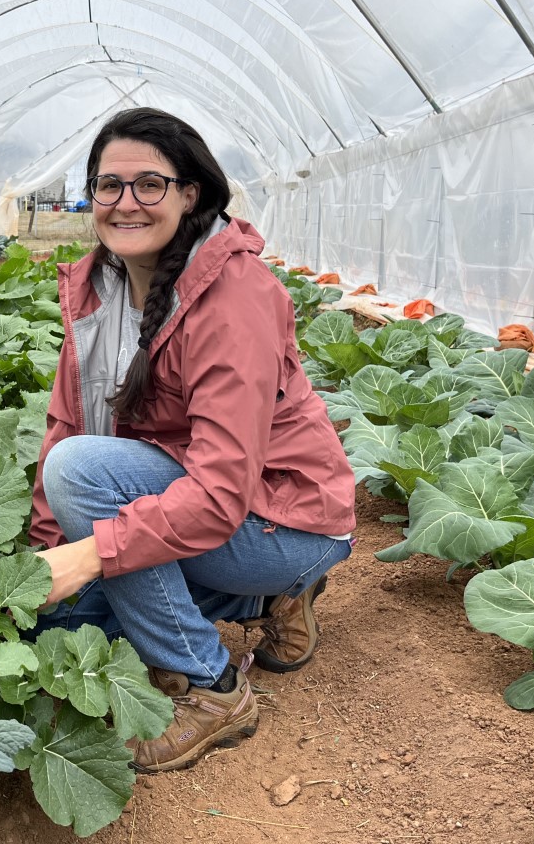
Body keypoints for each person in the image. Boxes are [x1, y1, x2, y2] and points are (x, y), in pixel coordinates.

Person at [29, 107, 356, 774]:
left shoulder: (235, 297)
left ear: (190, 193)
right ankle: (267, 603)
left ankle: (212, 687)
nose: (125, 203)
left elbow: (217, 494)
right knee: (55, 625)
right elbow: (66, 418)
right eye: (108, 185)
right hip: (198, 507)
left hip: (281, 519)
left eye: (149, 184)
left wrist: (91, 555)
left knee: (82, 476)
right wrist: (46, 555)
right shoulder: (100, 290)